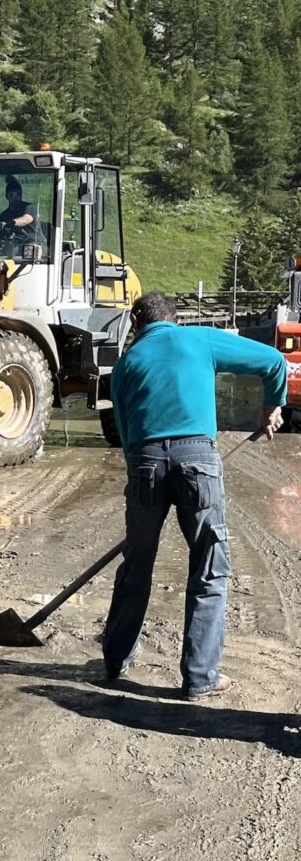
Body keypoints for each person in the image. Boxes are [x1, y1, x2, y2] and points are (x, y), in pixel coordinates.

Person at [103, 291, 287, 700]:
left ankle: (115, 661)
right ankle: (200, 677)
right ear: (174, 318)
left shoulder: (125, 365)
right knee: (209, 566)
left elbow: (125, 434)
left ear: (137, 325)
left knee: (136, 565)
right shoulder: (199, 339)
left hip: (145, 463)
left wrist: (142, 488)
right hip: (197, 462)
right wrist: (272, 406)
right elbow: (274, 362)